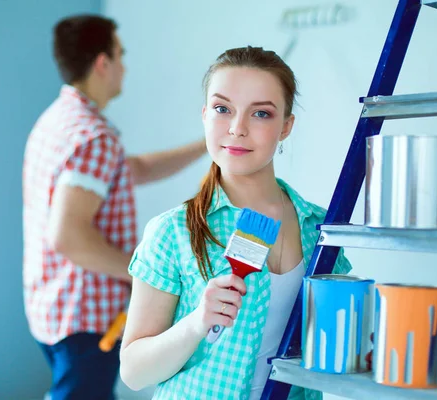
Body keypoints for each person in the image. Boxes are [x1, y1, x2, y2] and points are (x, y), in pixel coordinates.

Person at [119, 46, 352, 400]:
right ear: (204, 115)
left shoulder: (321, 229)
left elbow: (334, 344)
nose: (237, 128)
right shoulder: (173, 232)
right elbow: (134, 373)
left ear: (286, 126)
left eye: (260, 113)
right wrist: (196, 323)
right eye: (222, 109)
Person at [22, 15, 206, 400]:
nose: (125, 65)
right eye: (121, 54)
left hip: (52, 307)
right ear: (103, 63)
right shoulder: (93, 138)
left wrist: (209, 144)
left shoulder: (59, 122)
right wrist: (142, 274)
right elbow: (69, 237)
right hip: (85, 319)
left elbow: (132, 169)